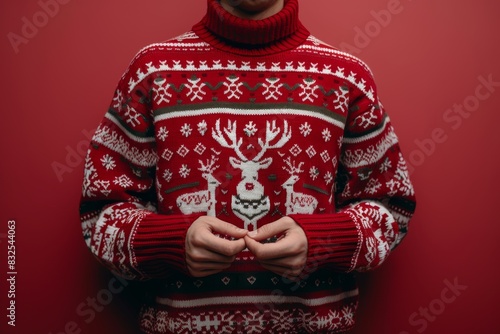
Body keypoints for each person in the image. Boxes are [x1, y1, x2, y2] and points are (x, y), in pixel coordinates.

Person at [79, 0, 416, 333]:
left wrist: (323, 242)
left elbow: (390, 208)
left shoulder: (347, 78)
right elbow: (101, 216)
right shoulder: (151, 71)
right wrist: (171, 244)